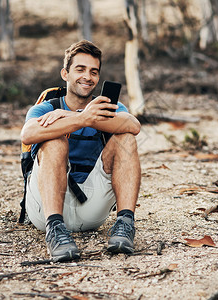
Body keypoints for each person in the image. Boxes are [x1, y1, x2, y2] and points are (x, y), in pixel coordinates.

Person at [20, 40, 141, 262]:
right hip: (45, 209)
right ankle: (55, 231)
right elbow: (28, 134)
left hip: (90, 208)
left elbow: (133, 125)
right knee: (54, 141)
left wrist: (83, 117)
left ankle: (125, 224)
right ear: (65, 74)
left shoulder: (104, 108)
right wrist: (82, 118)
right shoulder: (48, 106)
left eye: (94, 72)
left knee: (126, 139)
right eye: (80, 69)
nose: (88, 76)